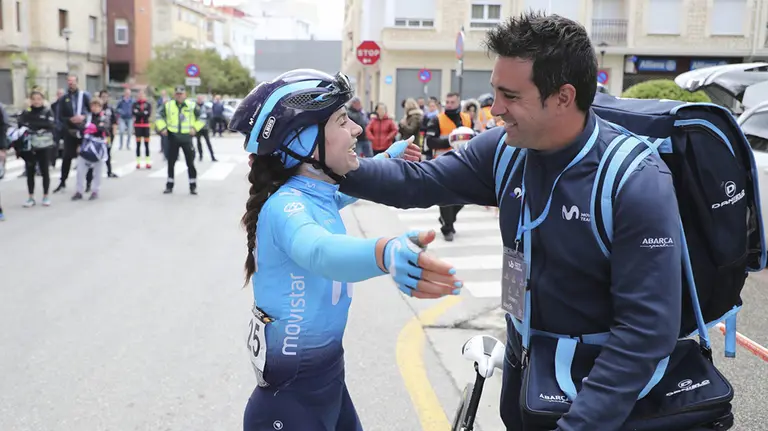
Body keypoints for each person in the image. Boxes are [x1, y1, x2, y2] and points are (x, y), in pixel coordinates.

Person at [338, 12, 682, 431]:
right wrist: (328, 159)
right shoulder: (506, 150)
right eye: (494, 93)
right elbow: (419, 181)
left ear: (562, 96)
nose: (495, 110)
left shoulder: (635, 180)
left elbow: (645, 333)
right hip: (526, 374)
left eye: (510, 96)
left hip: (598, 401)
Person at [228, 68, 463, 431]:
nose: (356, 128)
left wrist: (387, 158)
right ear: (303, 141)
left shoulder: (313, 194)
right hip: (290, 407)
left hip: (326, 383)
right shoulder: (286, 208)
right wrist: (385, 251)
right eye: (342, 120)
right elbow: (320, 251)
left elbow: (342, 191)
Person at [425, 91, 473, 241]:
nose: (450, 105)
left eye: (453, 102)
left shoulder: (467, 118)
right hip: (443, 162)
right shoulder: (436, 120)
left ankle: (447, 218)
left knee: (467, 196)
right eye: (448, 102)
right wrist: (451, 141)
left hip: (464, 162)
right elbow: (430, 142)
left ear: (459, 103)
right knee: (445, 197)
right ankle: (448, 228)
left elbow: (472, 136)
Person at [155, 86, 204, 195]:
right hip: (172, 137)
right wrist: (162, 128)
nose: (179, 96)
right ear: (174, 95)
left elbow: (203, 116)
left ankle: (192, 186)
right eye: (177, 94)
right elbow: (158, 116)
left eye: (181, 94)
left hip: (187, 138)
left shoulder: (191, 105)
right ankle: (169, 184)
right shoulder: (168, 105)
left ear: (185, 94)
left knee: (190, 162)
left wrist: (195, 128)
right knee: (171, 162)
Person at [18, 90, 56, 207]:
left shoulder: (47, 111)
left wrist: (35, 126)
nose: (36, 101)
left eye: (39, 99)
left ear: (42, 100)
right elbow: (21, 124)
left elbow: (50, 125)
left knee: (45, 171)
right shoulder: (26, 112)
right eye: (34, 99)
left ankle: (45, 196)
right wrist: (35, 126)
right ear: (30, 100)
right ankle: (30, 197)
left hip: (44, 145)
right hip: (30, 145)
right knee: (30, 171)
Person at [53, 75, 91, 193]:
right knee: (67, 157)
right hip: (70, 131)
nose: (71, 83)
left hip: (83, 130)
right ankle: (63, 182)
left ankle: (88, 182)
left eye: (73, 81)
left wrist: (83, 117)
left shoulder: (84, 96)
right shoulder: (64, 99)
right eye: (69, 81)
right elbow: (60, 116)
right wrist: (70, 120)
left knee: (86, 156)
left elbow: (91, 110)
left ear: (77, 82)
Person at [73, 105, 109, 201]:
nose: (95, 108)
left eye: (97, 106)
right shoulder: (87, 117)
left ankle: (95, 191)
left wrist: (92, 128)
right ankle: (79, 191)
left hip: (98, 147)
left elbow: (104, 130)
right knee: (80, 171)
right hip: (86, 146)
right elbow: (81, 129)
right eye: (93, 106)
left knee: (97, 171)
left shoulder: (104, 118)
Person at [133, 88, 153, 169]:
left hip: (146, 126)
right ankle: (138, 162)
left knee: (146, 145)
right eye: (139, 94)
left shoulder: (148, 104)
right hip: (138, 126)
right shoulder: (135, 104)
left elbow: (148, 114)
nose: (141, 96)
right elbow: (134, 113)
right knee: (138, 145)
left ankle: (147, 162)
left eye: (142, 94)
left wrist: (140, 113)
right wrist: (142, 113)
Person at [195, 94, 217, 162]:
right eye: (198, 99)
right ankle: (200, 156)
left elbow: (210, 116)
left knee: (208, 142)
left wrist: (209, 126)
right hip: (197, 128)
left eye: (201, 99)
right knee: (198, 143)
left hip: (205, 127)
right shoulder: (194, 107)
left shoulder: (206, 107)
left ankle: (212, 156)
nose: (200, 100)